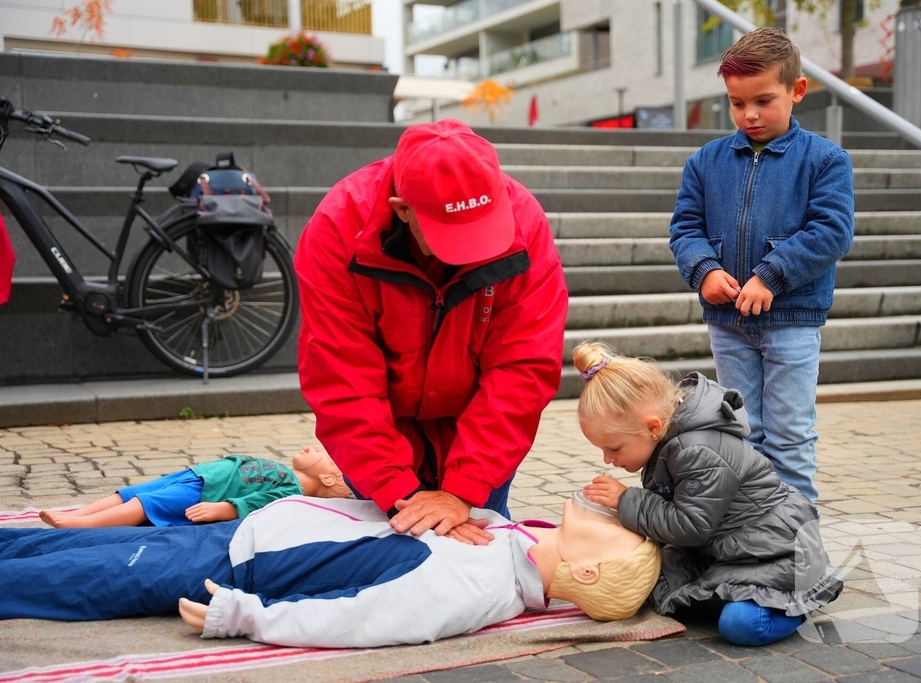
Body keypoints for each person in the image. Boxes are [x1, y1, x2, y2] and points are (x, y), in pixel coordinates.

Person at [294, 118, 568, 540]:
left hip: (477, 428)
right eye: (454, 237)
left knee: (476, 554)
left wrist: (463, 490)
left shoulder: (523, 224)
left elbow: (523, 368)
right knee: (394, 558)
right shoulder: (339, 229)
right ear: (402, 208)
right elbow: (341, 379)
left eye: (481, 232)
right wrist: (396, 490)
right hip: (384, 429)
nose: (471, 253)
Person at [1, 495, 661, 649]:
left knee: (59, 577)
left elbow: (360, 619)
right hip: (247, 535)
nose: (616, 511)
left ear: (590, 568)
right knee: (33, 549)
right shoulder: (505, 535)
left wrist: (247, 616)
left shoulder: (476, 583)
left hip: (234, 564)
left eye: (618, 530)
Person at [667, 28, 855, 502]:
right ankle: (752, 534)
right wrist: (703, 270)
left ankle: (795, 548)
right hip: (728, 324)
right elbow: (685, 229)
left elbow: (832, 232)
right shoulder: (706, 161)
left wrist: (771, 274)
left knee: (790, 439)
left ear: (797, 90)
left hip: (792, 323)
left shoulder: (825, 160)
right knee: (743, 436)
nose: (748, 114)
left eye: (763, 100)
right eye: (736, 102)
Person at [573, 342, 843, 647]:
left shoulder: (697, 450)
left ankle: (796, 603)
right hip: (728, 552)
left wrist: (627, 501)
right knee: (645, 586)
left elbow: (690, 525)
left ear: (652, 426)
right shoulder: (668, 443)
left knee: (741, 625)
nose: (608, 459)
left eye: (614, 448)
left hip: (778, 556)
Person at [38, 446, 350, 528]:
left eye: (323, 454)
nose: (314, 447)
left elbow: (256, 502)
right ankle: (81, 513)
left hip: (206, 493)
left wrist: (219, 509)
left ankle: (83, 524)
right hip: (202, 474)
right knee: (134, 492)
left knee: (145, 504)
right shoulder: (285, 472)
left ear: (328, 479)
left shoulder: (291, 491)